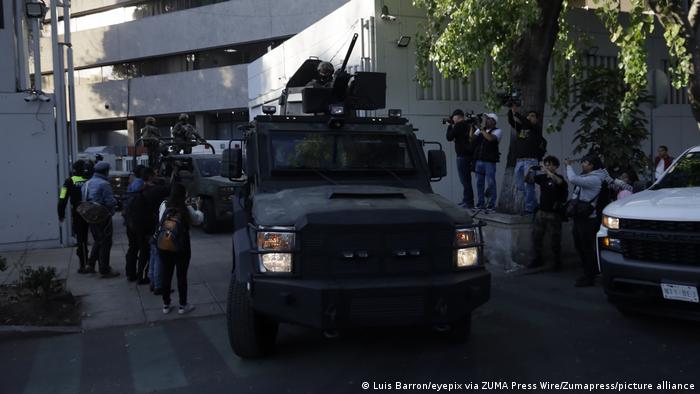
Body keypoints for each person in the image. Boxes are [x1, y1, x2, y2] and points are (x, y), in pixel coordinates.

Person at [158, 183, 203, 314]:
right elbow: (198, 220)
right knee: (181, 275)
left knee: (166, 274)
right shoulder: (186, 208)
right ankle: (183, 305)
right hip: (182, 246)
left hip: (164, 244)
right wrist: (199, 208)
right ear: (184, 194)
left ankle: (166, 305)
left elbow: (160, 221)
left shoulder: (164, 205)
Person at [565, 154, 607, 287]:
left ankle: (589, 276)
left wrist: (568, 165)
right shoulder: (587, 176)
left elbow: (572, 179)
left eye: (586, 163)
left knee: (586, 247)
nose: (583, 164)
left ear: (592, 165)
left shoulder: (595, 179)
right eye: (582, 162)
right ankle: (590, 271)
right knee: (580, 245)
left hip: (588, 219)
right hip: (581, 216)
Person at [526, 156, 568, 270]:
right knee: (536, 237)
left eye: (550, 165)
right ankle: (537, 259)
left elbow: (559, 182)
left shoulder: (559, 178)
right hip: (541, 212)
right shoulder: (543, 178)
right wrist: (529, 171)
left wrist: (548, 171)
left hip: (554, 213)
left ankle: (557, 262)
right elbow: (529, 180)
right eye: (546, 164)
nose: (548, 167)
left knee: (555, 239)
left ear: (556, 166)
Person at [82, 161, 120, 278]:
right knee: (106, 242)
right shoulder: (104, 184)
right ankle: (104, 269)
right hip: (103, 216)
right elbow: (109, 201)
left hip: (89, 215)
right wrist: (116, 201)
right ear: (106, 171)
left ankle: (90, 264)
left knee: (98, 240)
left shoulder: (87, 183)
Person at [509, 105, 543, 214]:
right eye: (528, 115)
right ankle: (534, 204)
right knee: (519, 185)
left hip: (531, 161)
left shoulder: (536, 128)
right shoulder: (523, 129)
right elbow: (511, 121)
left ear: (537, 119)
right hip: (520, 160)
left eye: (532, 116)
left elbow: (527, 123)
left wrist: (517, 113)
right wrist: (511, 111)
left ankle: (529, 209)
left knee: (529, 185)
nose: (529, 117)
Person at [58, 160, 91, 273]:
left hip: (78, 213)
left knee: (81, 239)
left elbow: (62, 199)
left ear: (74, 169)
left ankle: (83, 264)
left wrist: (61, 214)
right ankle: (99, 263)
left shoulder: (69, 181)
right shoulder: (89, 179)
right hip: (92, 211)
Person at [471, 113, 502, 211]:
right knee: (479, 183)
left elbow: (490, 138)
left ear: (494, 121)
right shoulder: (480, 130)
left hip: (489, 161)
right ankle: (480, 203)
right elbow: (471, 139)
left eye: (488, 119)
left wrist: (480, 128)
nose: (486, 120)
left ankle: (491, 204)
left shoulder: (498, 131)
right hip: (479, 160)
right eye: (486, 118)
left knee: (491, 182)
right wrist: (472, 126)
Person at [124, 165, 149, 283]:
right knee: (144, 248)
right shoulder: (142, 185)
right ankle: (141, 275)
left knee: (133, 247)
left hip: (130, 220)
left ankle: (130, 273)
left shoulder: (131, 185)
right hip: (140, 221)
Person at [445, 109, 474, 209]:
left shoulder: (459, 125)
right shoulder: (467, 125)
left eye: (453, 117)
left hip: (462, 156)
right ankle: (467, 200)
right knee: (466, 180)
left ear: (458, 116)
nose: (452, 119)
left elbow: (449, 137)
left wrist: (449, 126)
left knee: (464, 180)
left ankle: (468, 202)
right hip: (467, 155)